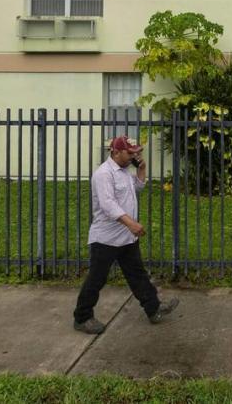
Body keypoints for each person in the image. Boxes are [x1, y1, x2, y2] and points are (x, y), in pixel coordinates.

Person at [73, 135, 178, 334]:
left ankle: (153, 308)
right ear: (116, 152)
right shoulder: (104, 174)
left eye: (135, 153)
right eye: (129, 153)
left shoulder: (123, 171)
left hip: (126, 237)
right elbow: (108, 205)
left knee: (137, 274)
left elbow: (137, 187)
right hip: (106, 238)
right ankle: (82, 317)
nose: (133, 156)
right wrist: (132, 224)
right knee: (97, 279)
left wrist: (141, 169)